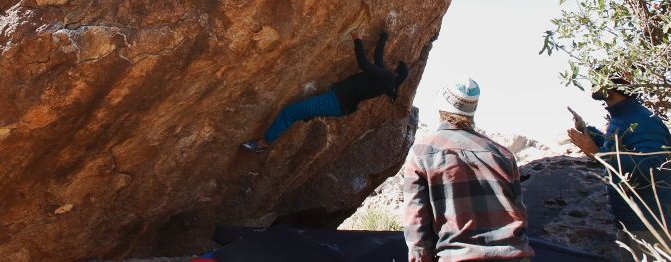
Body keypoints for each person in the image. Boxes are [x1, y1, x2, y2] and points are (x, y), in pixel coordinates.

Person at [401, 78, 534, 262]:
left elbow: (416, 225)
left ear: (440, 107)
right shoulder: (503, 154)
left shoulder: (423, 152)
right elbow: (519, 214)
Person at [240, 29, 409, 152]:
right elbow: (378, 59)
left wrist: (357, 40)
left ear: (395, 73)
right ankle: (299, 118)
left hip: (335, 102)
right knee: (298, 112)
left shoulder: (387, 77)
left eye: (393, 63)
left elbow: (364, 64)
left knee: (290, 111)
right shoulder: (386, 80)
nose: (390, 62)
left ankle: (263, 143)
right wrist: (383, 36)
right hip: (338, 103)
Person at [567, 77, 671, 262]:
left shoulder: (641, 120)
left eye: (598, 76)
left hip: (651, 225)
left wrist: (598, 153)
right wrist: (591, 135)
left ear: (614, 83)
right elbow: (623, 150)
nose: (592, 81)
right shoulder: (624, 117)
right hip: (634, 223)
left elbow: (653, 167)